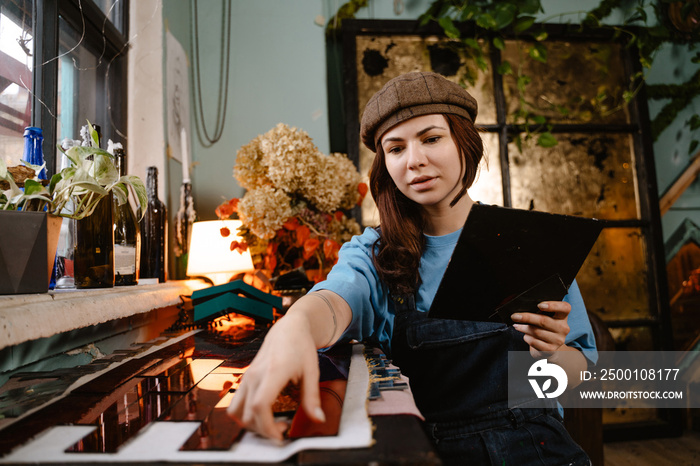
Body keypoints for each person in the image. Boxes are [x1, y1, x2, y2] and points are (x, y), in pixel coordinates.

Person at [227, 71, 597, 465]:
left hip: (537, 449)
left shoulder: (530, 241)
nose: (415, 160)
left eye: (432, 138)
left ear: (464, 143)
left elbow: (583, 377)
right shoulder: (375, 252)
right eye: (396, 148)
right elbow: (336, 301)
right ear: (385, 163)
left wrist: (552, 353)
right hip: (430, 451)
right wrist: (296, 326)